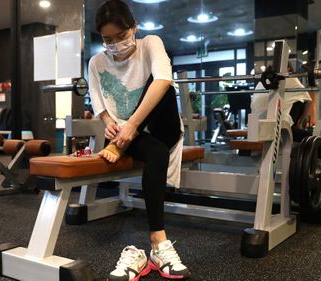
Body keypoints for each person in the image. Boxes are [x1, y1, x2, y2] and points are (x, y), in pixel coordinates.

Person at [88, 0, 190, 280]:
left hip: (160, 128)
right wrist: (112, 126)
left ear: (134, 28)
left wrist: (132, 126)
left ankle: (120, 141)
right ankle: (158, 243)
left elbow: (163, 80)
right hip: (129, 137)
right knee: (155, 153)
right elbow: (101, 107)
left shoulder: (150, 44)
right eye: (107, 39)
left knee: (162, 87)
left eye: (121, 36)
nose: (115, 44)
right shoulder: (96, 63)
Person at [251, 62, 313, 142]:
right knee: (302, 101)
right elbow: (309, 101)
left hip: (257, 123)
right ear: (288, 69)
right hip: (276, 124)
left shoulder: (262, 82)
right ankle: (313, 138)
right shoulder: (289, 77)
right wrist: (300, 123)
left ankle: (296, 131)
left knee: (298, 100)